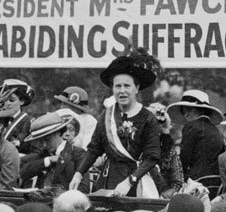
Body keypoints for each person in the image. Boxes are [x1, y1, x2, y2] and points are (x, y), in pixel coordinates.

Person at [69, 55, 161, 197]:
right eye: (117, 86)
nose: (122, 91)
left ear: (136, 88)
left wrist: (130, 181)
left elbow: (151, 157)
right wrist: (79, 173)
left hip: (138, 180)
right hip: (109, 178)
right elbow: (94, 149)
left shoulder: (148, 118)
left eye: (127, 86)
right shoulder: (106, 116)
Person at [166, 89, 225, 180]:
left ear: (194, 110)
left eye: (186, 110)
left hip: (197, 181)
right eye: (183, 111)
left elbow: (185, 159)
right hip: (217, 181)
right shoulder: (216, 130)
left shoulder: (192, 126)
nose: (185, 115)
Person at [20, 112, 88, 191]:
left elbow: (84, 188)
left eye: (48, 139)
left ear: (59, 133)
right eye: (40, 141)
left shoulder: (77, 153)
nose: (44, 145)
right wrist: (48, 160)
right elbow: (23, 173)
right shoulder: (42, 156)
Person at [146, 102, 184, 199]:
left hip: (160, 199)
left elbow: (177, 182)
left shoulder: (169, 151)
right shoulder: (134, 147)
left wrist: (164, 194)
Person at [0, 79, 36, 154]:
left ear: (22, 101)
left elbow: (35, 152)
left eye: (12, 100)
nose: (7, 103)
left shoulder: (30, 123)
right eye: (5, 100)